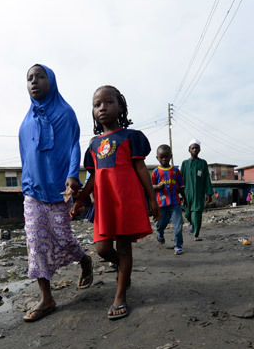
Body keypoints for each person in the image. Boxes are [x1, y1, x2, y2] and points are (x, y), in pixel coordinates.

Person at [72, 85, 160, 320]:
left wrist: (152, 198)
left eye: (109, 102)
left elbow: (141, 168)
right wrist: (80, 199)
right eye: (97, 104)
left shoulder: (131, 137)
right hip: (104, 204)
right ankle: (124, 270)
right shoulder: (92, 145)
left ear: (120, 106)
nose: (102, 108)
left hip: (126, 200)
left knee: (123, 248)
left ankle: (120, 295)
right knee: (102, 248)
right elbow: (92, 177)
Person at [19, 64, 93, 323]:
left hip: (60, 189)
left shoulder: (65, 113)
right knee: (35, 243)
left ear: (51, 80)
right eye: (29, 78)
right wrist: (26, 184)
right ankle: (46, 298)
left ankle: (84, 260)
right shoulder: (26, 123)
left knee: (63, 236)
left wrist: (74, 176)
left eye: (40, 76)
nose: (34, 82)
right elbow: (26, 158)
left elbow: (74, 144)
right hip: (33, 191)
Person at [151, 144, 186, 255]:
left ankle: (178, 246)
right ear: (157, 158)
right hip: (161, 204)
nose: (164, 159)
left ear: (170, 156)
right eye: (162, 157)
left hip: (175, 202)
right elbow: (150, 186)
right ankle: (160, 233)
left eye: (166, 157)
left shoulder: (175, 171)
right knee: (162, 223)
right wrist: (156, 187)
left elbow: (181, 187)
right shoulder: (156, 172)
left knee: (178, 224)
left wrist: (185, 198)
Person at [180, 139, 213, 241]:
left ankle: (196, 234)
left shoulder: (203, 163)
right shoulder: (185, 163)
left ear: (199, 149)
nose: (194, 149)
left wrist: (209, 193)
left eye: (196, 148)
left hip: (199, 193)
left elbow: (206, 178)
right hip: (187, 193)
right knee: (187, 213)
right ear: (189, 150)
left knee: (197, 213)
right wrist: (180, 194)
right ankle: (191, 224)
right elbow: (180, 179)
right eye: (192, 148)